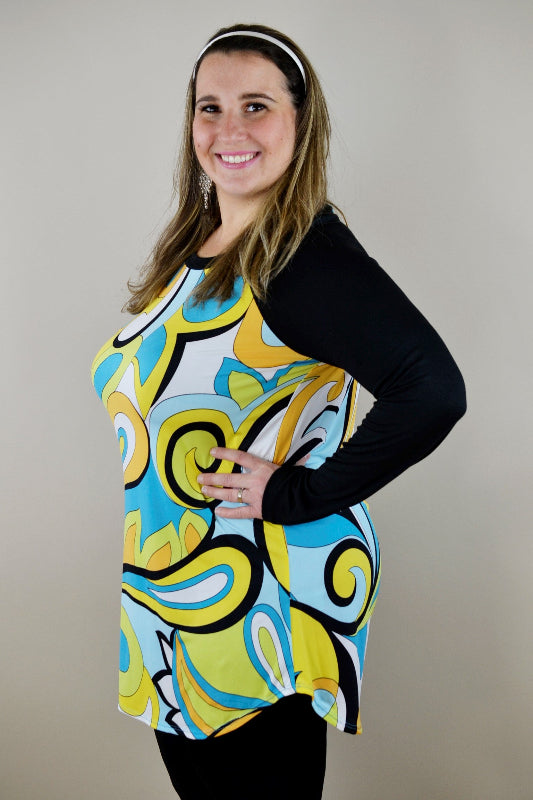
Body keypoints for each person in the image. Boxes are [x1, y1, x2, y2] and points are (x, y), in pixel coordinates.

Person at [91, 23, 466, 800]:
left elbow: (431, 389)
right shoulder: (201, 246)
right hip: (178, 597)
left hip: (255, 598)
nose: (229, 129)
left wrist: (298, 493)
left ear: (301, 120)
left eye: (255, 106)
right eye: (210, 107)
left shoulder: (298, 257)